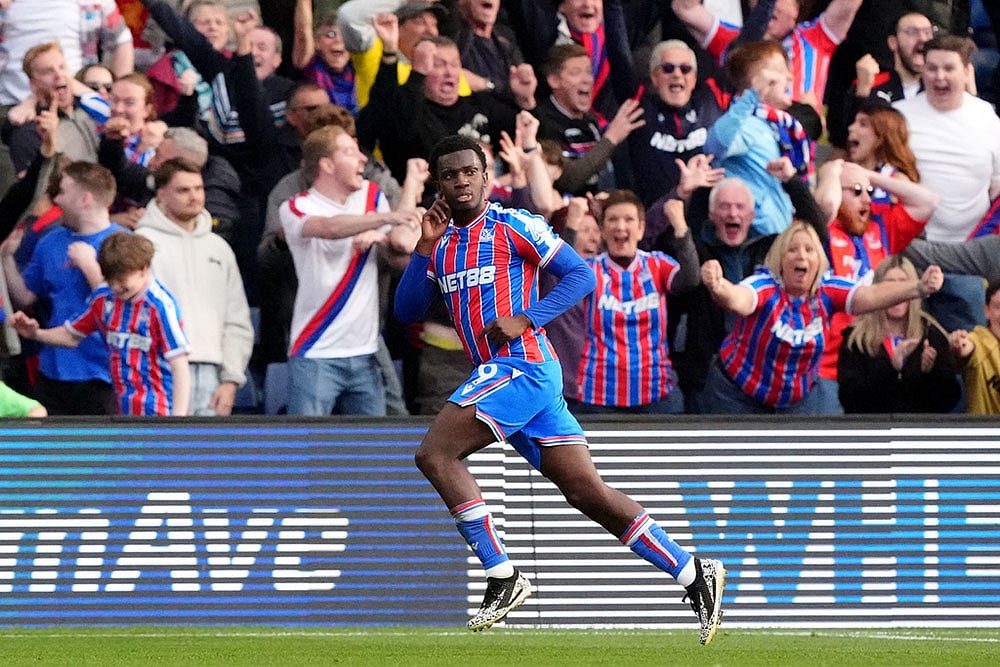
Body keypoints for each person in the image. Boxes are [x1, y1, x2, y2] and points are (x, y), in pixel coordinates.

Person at [394, 134, 726, 643]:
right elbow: (406, 311)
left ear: (486, 176)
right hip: (518, 379)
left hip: (521, 365)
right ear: (438, 183)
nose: (460, 181)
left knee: (435, 456)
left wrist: (526, 317)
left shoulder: (513, 223)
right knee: (585, 491)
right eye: (450, 175)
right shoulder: (441, 245)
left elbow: (579, 277)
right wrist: (422, 247)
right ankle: (692, 572)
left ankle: (502, 574)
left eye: (469, 171)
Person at [700, 221, 944, 414]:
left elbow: (871, 294)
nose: (801, 256)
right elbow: (739, 300)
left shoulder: (828, 288)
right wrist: (719, 286)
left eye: (809, 250)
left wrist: (919, 288)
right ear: (780, 260)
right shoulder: (765, 285)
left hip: (796, 400)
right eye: (792, 250)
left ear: (819, 261)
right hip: (737, 394)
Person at [279, 125, 420, 416]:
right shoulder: (296, 206)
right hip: (316, 350)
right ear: (327, 164)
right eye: (349, 152)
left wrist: (411, 188)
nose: (362, 160)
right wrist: (385, 218)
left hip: (366, 352)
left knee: (371, 452)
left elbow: (400, 252)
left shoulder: (371, 195)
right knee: (306, 448)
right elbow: (329, 228)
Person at [10, 232, 191, 416]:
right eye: (110, 279)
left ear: (142, 269)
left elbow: (180, 365)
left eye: (121, 280)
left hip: (159, 410)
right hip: (122, 410)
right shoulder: (104, 299)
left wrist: (177, 420)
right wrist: (36, 333)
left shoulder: (160, 305)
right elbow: (71, 336)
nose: (115, 287)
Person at [1, 161, 126, 415]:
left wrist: (91, 268)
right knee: (54, 450)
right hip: (53, 369)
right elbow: (25, 297)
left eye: (63, 192)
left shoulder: (123, 243)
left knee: (99, 452)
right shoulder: (51, 241)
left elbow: (126, 309)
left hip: (104, 373)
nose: (56, 199)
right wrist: (7, 258)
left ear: (85, 199)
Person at [135, 158, 253, 417]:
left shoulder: (219, 248)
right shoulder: (142, 244)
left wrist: (231, 379)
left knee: (206, 456)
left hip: (213, 372)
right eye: (183, 190)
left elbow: (236, 320)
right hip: (158, 370)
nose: (194, 197)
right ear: (161, 194)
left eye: (199, 189)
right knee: (161, 456)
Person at [576, 190, 698, 414]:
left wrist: (681, 229)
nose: (620, 227)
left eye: (629, 220)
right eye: (612, 220)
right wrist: (571, 227)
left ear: (641, 229)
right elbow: (558, 279)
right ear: (602, 230)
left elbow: (690, 280)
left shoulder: (658, 264)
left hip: (656, 392)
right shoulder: (590, 269)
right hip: (599, 395)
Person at [894, 35, 1000, 243]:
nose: (939, 76)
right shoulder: (898, 116)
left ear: (967, 72)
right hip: (912, 243)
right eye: (932, 68)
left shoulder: (987, 117)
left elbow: (997, 185)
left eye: (949, 69)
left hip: (970, 246)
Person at [705, 40, 805, 237]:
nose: (790, 77)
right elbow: (714, 146)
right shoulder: (747, 124)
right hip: (755, 239)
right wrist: (751, 97)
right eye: (781, 70)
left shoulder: (777, 126)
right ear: (758, 80)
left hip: (779, 238)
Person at [838, 255, 960, 414]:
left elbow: (950, 399)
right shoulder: (856, 338)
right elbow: (849, 400)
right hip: (873, 431)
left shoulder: (931, 333)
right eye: (889, 284)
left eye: (903, 284)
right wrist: (891, 370)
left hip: (919, 432)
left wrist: (928, 373)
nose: (897, 293)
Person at [627, 39, 725, 209]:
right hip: (653, 225)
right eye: (667, 68)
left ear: (694, 79)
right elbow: (619, 56)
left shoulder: (709, 100)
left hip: (707, 223)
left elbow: (741, 51)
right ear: (654, 78)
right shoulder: (640, 109)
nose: (677, 74)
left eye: (685, 69)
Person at [827, 11, 935, 152]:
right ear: (893, 43)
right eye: (912, 32)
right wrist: (862, 94)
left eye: (928, 32)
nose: (922, 39)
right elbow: (845, 141)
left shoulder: (938, 89)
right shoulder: (870, 83)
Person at [949, 280, 1000, 414]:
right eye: (999, 307)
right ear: (986, 311)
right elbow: (968, 347)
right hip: (986, 432)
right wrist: (961, 345)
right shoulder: (980, 340)